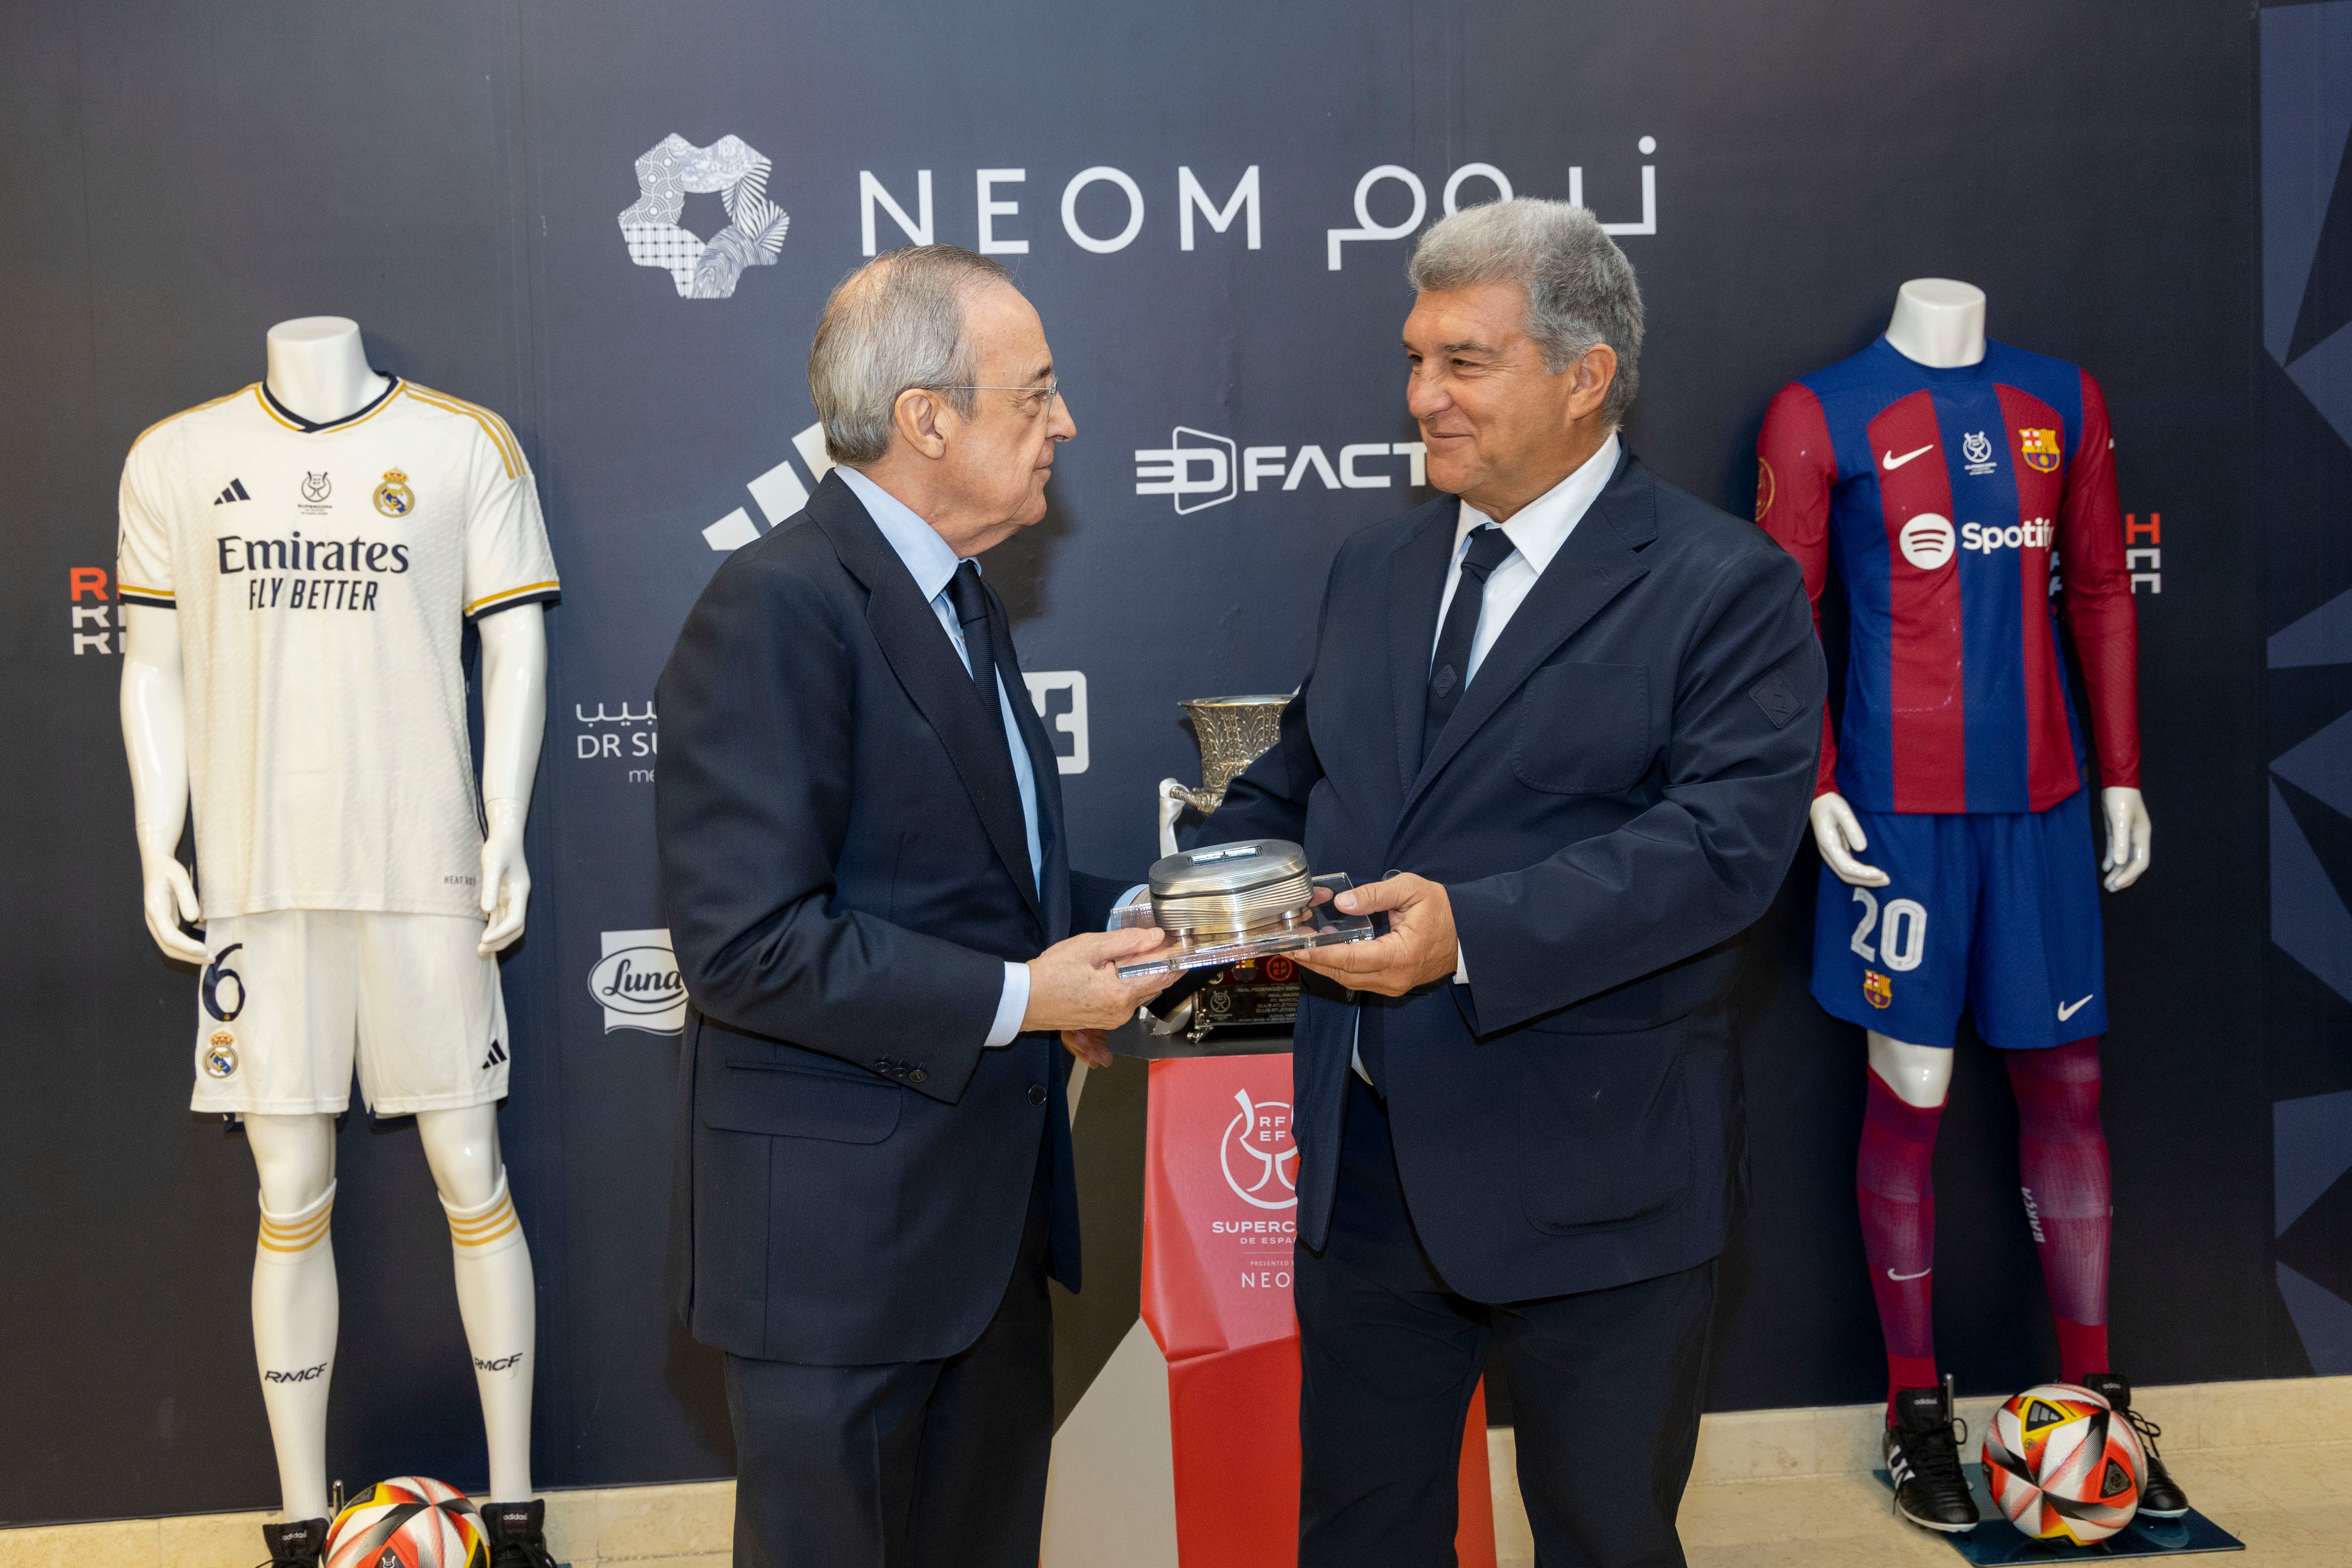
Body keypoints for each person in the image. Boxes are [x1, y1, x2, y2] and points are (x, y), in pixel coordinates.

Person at [1198, 199, 1826, 1568]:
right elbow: (1296, 783)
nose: (1422, 397)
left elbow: (1723, 850)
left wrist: (1468, 933)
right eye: (1415, 360)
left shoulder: (1727, 586)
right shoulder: (1375, 563)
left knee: (1605, 1539)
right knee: (1362, 1541)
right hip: (1364, 1173)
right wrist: (1201, 896)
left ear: (1585, 375)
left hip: (1599, 1177)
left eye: (1462, 363)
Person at [654, 245, 1169, 1568]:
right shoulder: (777, 605)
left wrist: (1170, 926)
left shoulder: (960, 596)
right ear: (927, 418)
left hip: (979, 1242)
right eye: (1035, 394)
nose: (1067, 424)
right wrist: (1023, 1000)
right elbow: (747, 946)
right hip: (841, 1269)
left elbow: (981, 889)